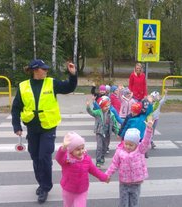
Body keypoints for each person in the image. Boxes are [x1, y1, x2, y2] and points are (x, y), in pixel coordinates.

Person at [11, 59, 77, 203]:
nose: (46, 71)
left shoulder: (51, 83)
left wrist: (72, 75)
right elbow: (16, 107)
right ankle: (41, 183)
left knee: (44, 157)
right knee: (35, 157)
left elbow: (69, 88)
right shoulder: (23, 86)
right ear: (36, 70)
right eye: (43, 69)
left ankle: (45, 187)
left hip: (48, 127)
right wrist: (16, 126)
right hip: (32, 128)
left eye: (46, 69)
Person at [105, 119, 154, 207]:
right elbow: (114, 164)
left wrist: (149, 129)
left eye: (131, 145)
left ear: (136, 144)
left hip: (136, 183)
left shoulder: (140, 149)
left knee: (134, 203)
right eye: (126, 144)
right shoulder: (119, 151)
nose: (128, 146)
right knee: (123, 204)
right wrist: (107, 175)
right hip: (124, 183)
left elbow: (146, 142)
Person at [55, 131, 109, 207]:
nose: (81, 151)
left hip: (82, 191)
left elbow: (94, 170)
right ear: (71, 150)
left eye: (82, 148)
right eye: (77, 149)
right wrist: (63, 148)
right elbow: (58, 158)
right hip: (68, 189)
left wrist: (104, 177)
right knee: (68, 205)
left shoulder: (87, 159)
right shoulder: (67, 160)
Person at [86, 96, 119, 168]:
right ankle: (98, 160)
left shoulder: (111, 114)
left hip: (107, 133)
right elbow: (91, 112)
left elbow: (114, 124)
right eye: (105, 106)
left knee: (105, 147)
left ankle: (102, 157)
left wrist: (117, 132)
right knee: (99, 147)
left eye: (108, 106)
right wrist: (88, 106)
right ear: (101, 107)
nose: (107, 107)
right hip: (99, 132)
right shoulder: (98, 112)